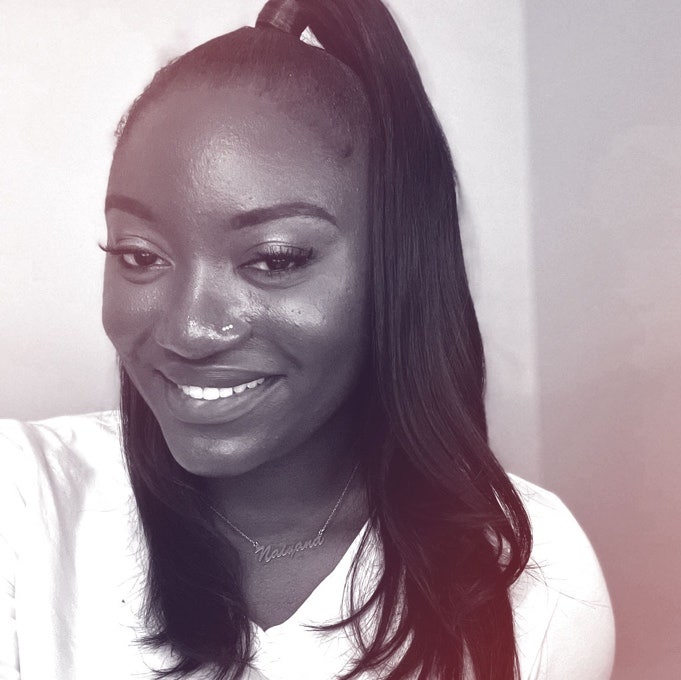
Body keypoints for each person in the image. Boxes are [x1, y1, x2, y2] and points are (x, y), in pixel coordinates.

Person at [0, 0, 615, 678]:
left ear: (394, 266)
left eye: (275, 258)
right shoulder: (23, 505)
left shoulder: (533, 576)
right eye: (140, 256)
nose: (188, 330)